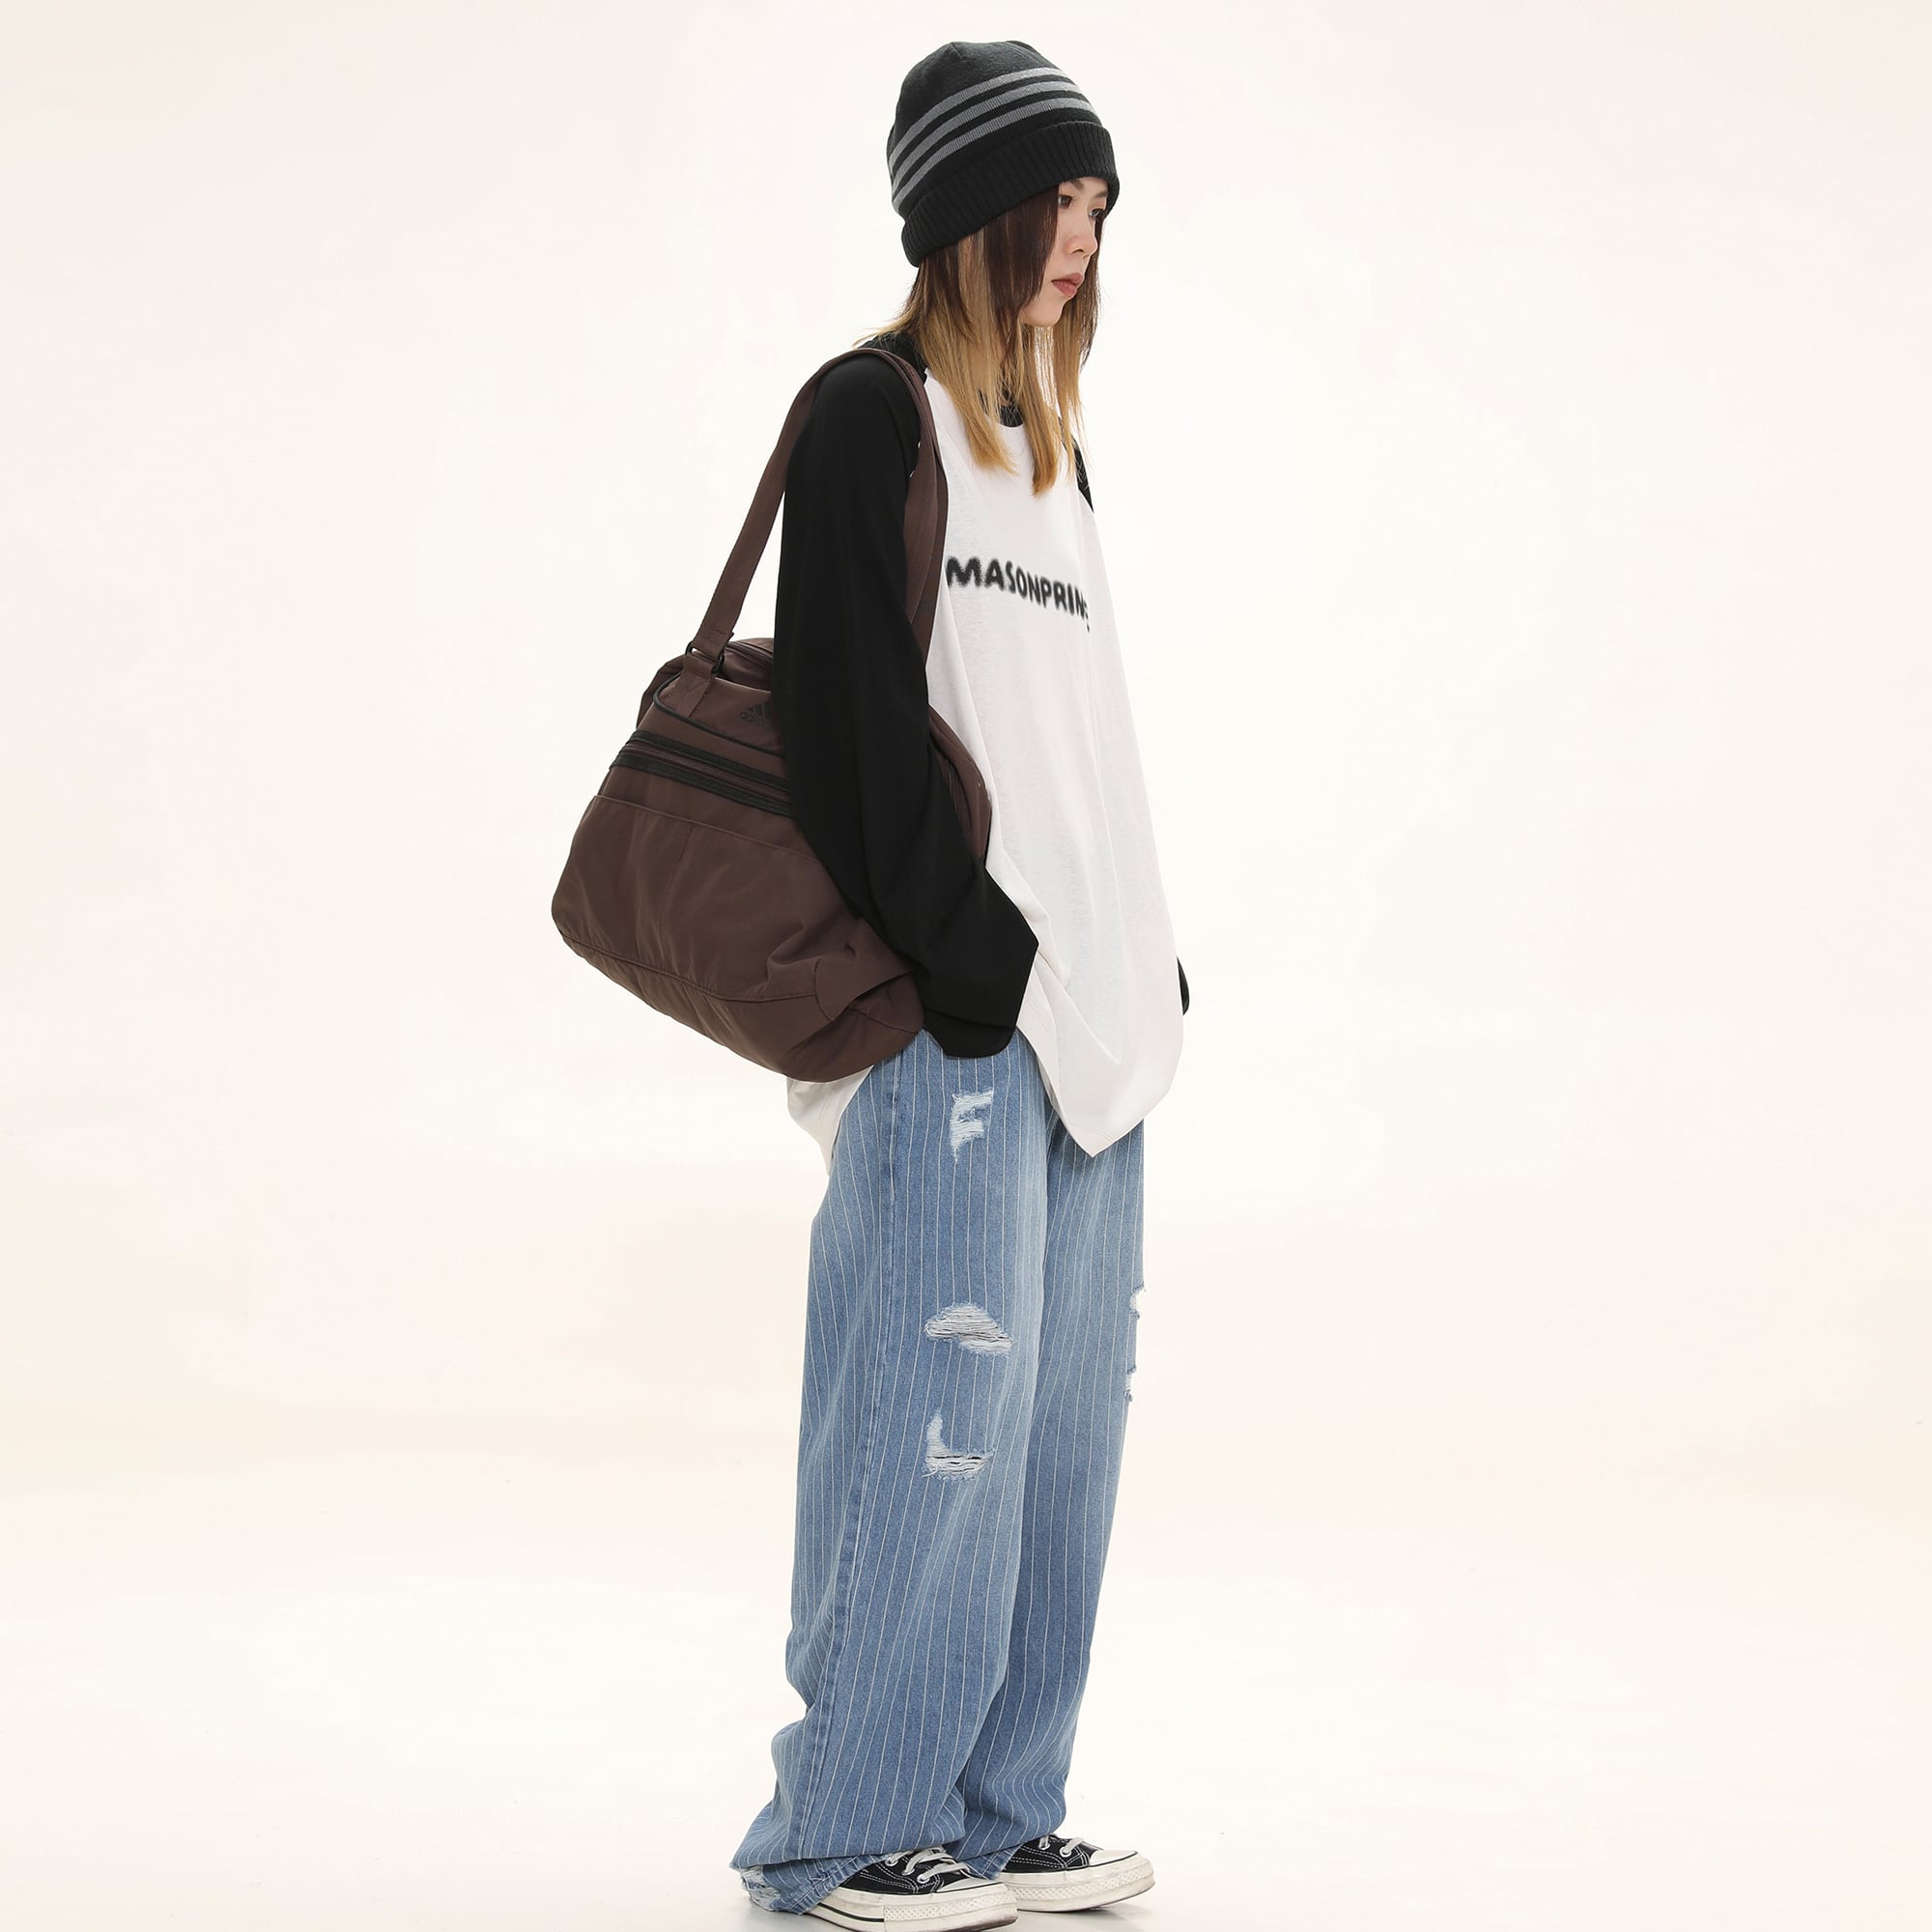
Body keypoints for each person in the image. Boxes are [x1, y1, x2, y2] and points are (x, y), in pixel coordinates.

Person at [730, 40, 1188, 1928]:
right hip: (961, 1027)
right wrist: (968, 960)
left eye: (1097, 205)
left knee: (1053, 1452)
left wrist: (1145, 955)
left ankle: (996, 1811)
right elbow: (846, 728)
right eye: (1050, 201)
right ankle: (844, 1830)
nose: (1079, 235)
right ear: (962, 214)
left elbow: (1070, 739)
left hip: (1099, 1031)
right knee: (929, 1433)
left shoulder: (1047, 453)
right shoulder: (876, 414)